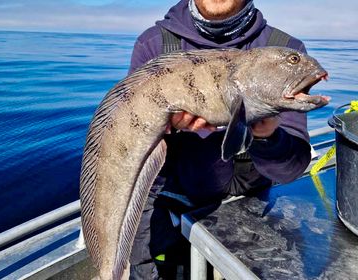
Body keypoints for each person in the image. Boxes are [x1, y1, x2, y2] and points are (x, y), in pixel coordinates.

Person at [128, 0, 312, 279]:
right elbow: (132, 156)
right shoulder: (154, 45)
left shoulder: (286, 53)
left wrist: (267, 134)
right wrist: (164, 126)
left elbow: (289, 170)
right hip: (172, 203)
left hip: (253, 203)